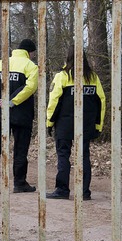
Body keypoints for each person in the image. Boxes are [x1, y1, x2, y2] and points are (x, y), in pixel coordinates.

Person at [46, 46, 105, 200]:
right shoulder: (93, 77)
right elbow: (101, 102)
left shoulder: (62, 76)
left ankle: (62, 190)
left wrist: (49, 122)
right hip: (85, 124)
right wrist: (98, 125)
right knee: (84, 156)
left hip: (64, 125)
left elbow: (54, 101)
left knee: (63, 155)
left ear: (68, 57)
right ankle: (84, 192)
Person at [0, 39, 38, 195]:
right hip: (21, 115)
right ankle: (19, 183)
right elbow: (30, 87)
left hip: (1, 113)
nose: (33, 56)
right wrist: (12, 101)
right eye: (33, 54)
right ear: (30, 52)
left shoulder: (1, 63)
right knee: (20, 148)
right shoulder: (31, 66)